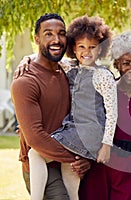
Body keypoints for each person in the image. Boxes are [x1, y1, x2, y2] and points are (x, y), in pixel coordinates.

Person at [26, 15, 117, 200]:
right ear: (73, 49)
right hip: (73, 128)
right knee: (70, 166)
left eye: (92, 47)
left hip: (88, 131)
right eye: (81, 47)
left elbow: (112, 112)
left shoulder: (103, 76)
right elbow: (42, 57)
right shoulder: (70, 67)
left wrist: (106, 145)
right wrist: (25, 60)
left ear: (100, 49)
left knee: (35, 153)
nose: (87, 52)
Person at [11, 13, 90, 199]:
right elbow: (36, 138)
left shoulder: (69, 71)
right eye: (48, 34)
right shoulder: (25, 81)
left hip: (69, 164)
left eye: (61, 33)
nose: (56, 39)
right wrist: (79, 158)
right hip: (42, 165)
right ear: (36, 39)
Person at [79, 32, 131, 200]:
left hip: (130, 166)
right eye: (126, 63)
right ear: (117, 64)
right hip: (101, 164)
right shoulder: (105, 89)